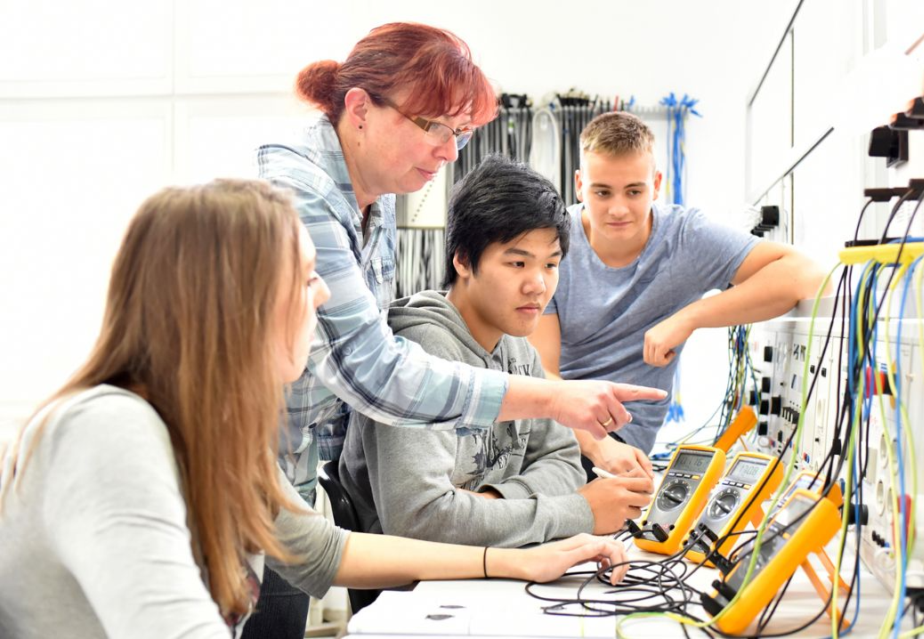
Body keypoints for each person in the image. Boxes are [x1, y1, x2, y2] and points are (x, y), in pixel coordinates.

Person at [0, 180, 630, 639]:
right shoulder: (111, 432)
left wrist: (516, 559)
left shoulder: (216, 436)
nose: (325, 293)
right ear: (232, 301)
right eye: (305, 278)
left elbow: (329, 552)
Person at [254, 23, 660, 632]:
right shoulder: (299, 195)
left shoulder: (377, 196)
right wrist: (558, 418)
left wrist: (505, 507)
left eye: (460, 133)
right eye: (434, 128)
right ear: (360, 109)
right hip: (238, 485)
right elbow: (374, 372)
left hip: (286, 493)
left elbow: (552, 465)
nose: (449, 152)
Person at [340, 157, 653, 547]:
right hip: (420, 591)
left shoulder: (518, 346)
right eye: (518, 262)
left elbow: (565, 462)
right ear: (463, 260)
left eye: (551, 265)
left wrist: (489, 504)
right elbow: (421, 521)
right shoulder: (419, 353)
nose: (538, 285)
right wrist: (579, 512)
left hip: (501, 562)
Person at [529, 112, 825, 478]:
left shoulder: (686, 237)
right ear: (579, 185)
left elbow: (805, 274)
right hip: (558, 425)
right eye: (602, 192)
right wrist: (595, 444)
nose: (618, 208)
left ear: (656, 184)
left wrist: (690, 317)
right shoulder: (553, 245)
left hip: (619, 440)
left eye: (634, 191)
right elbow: (542, 373)